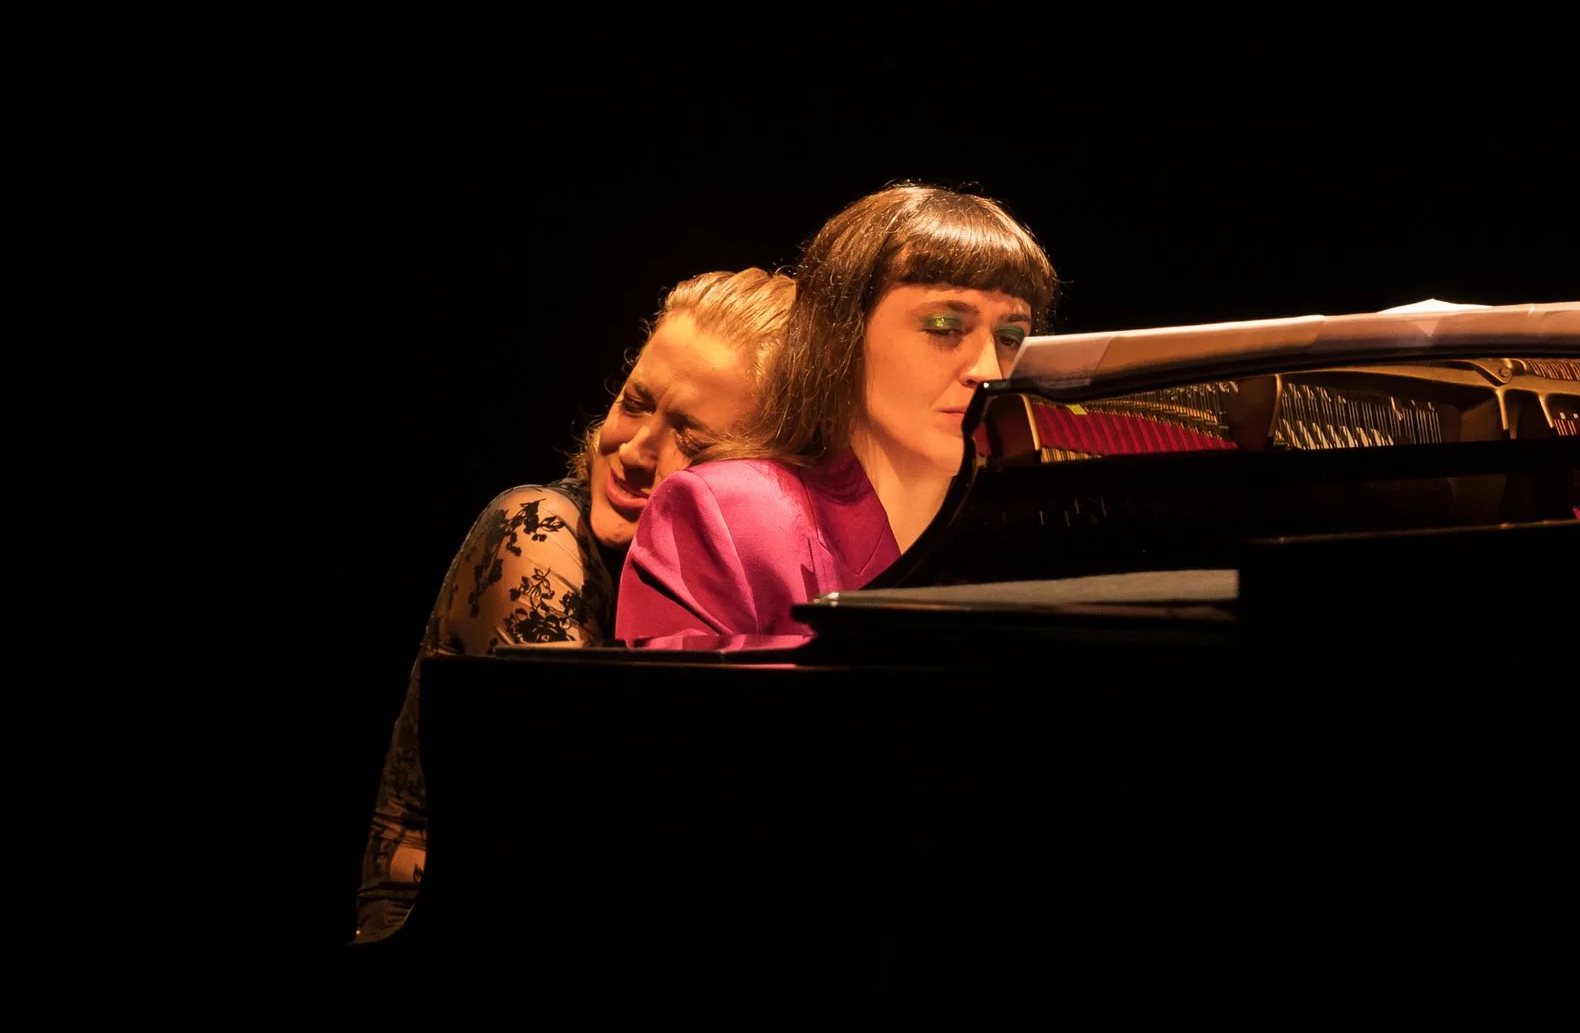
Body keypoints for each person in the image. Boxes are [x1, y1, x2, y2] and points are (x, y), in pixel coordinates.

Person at [352, 265, 795, 943]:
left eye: (692, 440)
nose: (636, 450)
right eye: (635, 402)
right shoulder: (536, 532)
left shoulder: (750, 576)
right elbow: (580, 832)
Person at [614, 183, 1058, 648]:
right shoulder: (721, 512)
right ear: (839, 336)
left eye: (1010, 338)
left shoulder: (1026, 534)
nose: (988, 371)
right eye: (944, 326)